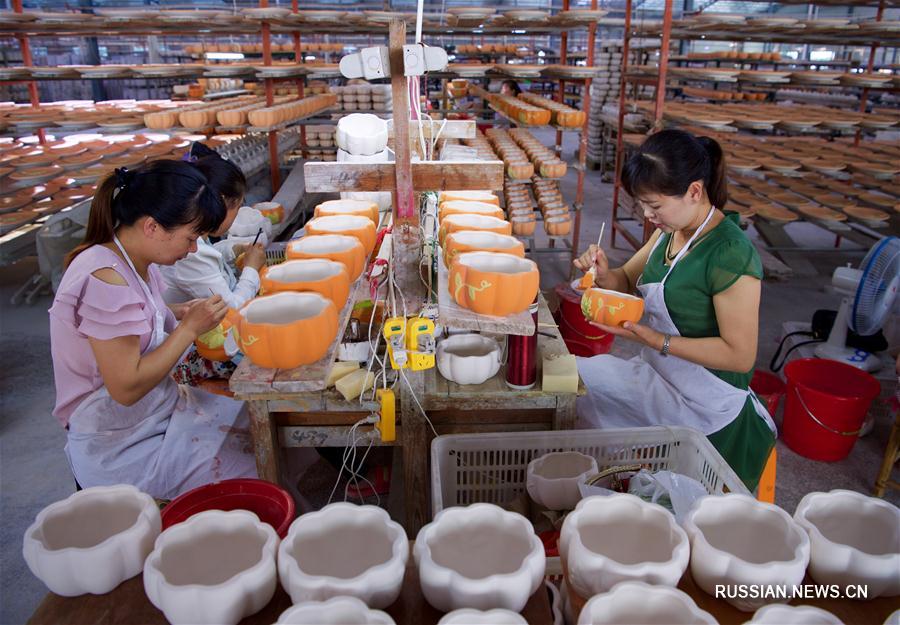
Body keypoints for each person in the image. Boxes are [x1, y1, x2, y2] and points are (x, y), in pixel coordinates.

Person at [573, 129, 776, 490]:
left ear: (695, 191)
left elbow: (740, 356)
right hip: (661, 376)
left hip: (704, 403)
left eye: (655, 205)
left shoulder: (730, 253)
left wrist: (656, 339)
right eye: (643, 206)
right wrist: (603, 272)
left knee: (597, 434)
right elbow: (623, 281)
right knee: (574, 384)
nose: (648, 216)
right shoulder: (667, 234)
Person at [49, 160, 257, 500]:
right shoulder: (104, 279)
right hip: (120, 443)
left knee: (259, 422)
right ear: (151, 227)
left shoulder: (130, 260)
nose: (193, 249)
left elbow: (134, 321)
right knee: (255, 468)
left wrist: (178, 312)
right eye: (190, 238)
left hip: (154, 414)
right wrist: (188, 329)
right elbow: (126, 387)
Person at [160, 142, 265, 310]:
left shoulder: (195, 234)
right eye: (238, 207)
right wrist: (251, 269)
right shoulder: (188, 250)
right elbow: (230, 309)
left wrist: (234, 250)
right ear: (220, 204)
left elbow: (209, 252)